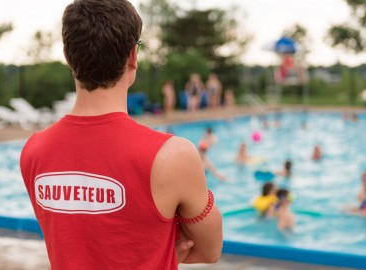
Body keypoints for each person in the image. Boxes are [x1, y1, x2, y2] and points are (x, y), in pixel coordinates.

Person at [20, 1, 222, 269]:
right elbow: (209, 250)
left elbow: (75, 238)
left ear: (69, 56)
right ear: (132, 57)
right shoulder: (172, 155)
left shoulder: (34, 151)